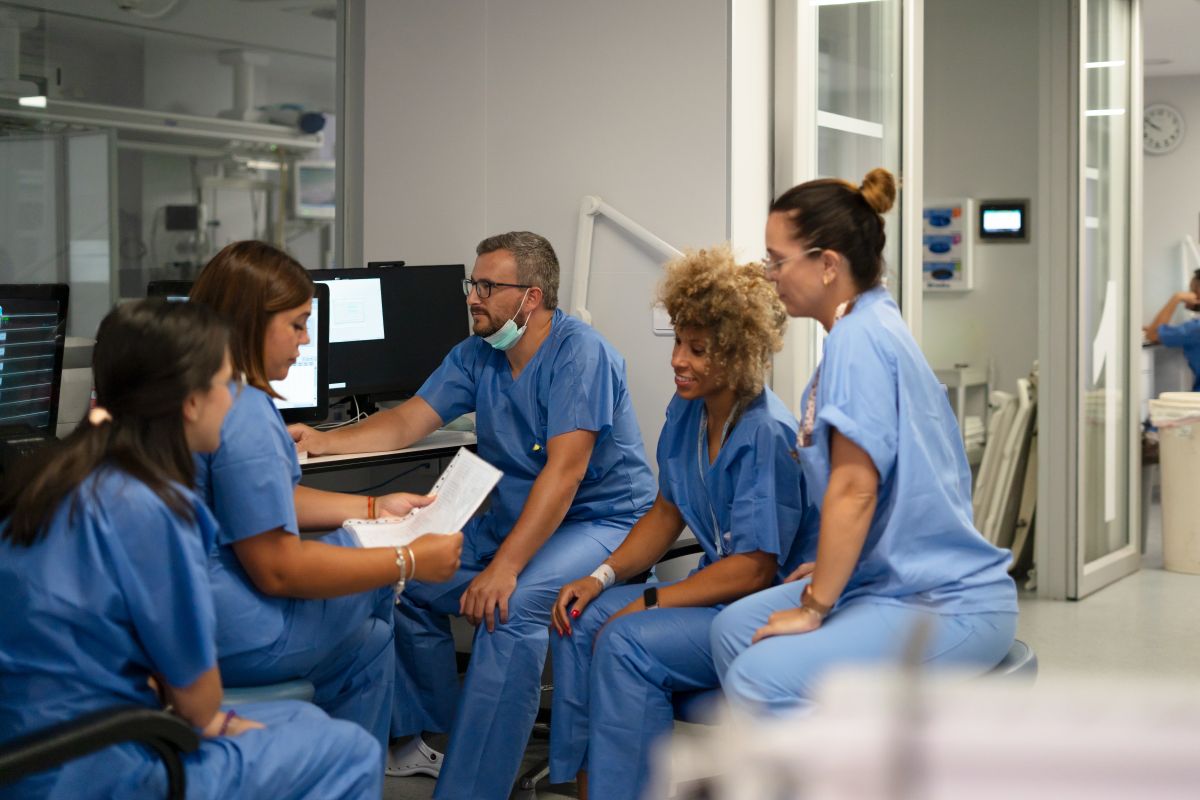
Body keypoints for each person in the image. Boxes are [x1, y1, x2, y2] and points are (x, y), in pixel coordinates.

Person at [290, 231, 657, 799]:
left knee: (507, 609)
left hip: (600, 522)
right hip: (516, 516)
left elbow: (564, 477)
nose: (472, 297)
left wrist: (506, 567)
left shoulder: (581, 354)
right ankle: (435, 734)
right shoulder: (475, 355)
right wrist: (321, 441)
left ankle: (470, 788)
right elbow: (405, 422)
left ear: (530, 298)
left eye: (488, 286)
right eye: (473, 283)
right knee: (402, 578)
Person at [0, 300, 382, 799]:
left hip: (28, 746)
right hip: (96, 761)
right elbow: (199, 707)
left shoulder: (47, 477)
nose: (234, 400)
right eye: (226, 384)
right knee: (351, 751)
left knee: (299, 717)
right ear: (191, 402)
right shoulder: (155, 509)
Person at [710, 168, 1018, 716]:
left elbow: (855, 488)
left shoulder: (860, 341)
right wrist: (836, 565)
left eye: (778, 260)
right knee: (733, 631)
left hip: (942, 603)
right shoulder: (869, 323)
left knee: (758, 679)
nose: (769, 275)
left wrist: (816, 604)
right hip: (889, 578)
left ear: (828, 264)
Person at [546, 246, 817, 799]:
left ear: (739, 354)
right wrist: (601, 577)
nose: (678, 360)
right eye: (677, 341)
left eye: (698, 349)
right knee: (578, 617)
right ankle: (591, 782)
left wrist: (647, 601)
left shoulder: (767, 433)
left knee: (626, 642)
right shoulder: (687, 410)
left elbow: (752, 571)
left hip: (762, 612)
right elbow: (667, 509)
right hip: (713, 598)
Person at [188, 241, 463, 756]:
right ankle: (365, 762)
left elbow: (268, 501)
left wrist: (374, 508)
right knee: (378, 595)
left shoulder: (202, 395)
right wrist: (406, 558)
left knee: (371, 624)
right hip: (238, 631)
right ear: (250, 321)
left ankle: (340, 763)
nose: (305, 340)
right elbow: (278, 569)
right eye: (296, 324)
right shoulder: (245, 414)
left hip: (191, 616)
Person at [1143, 269, 1200, 391]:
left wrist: (1176, 298)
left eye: (1191, 290)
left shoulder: (1195, 329)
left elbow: (1152, 335)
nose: (1189, 294)